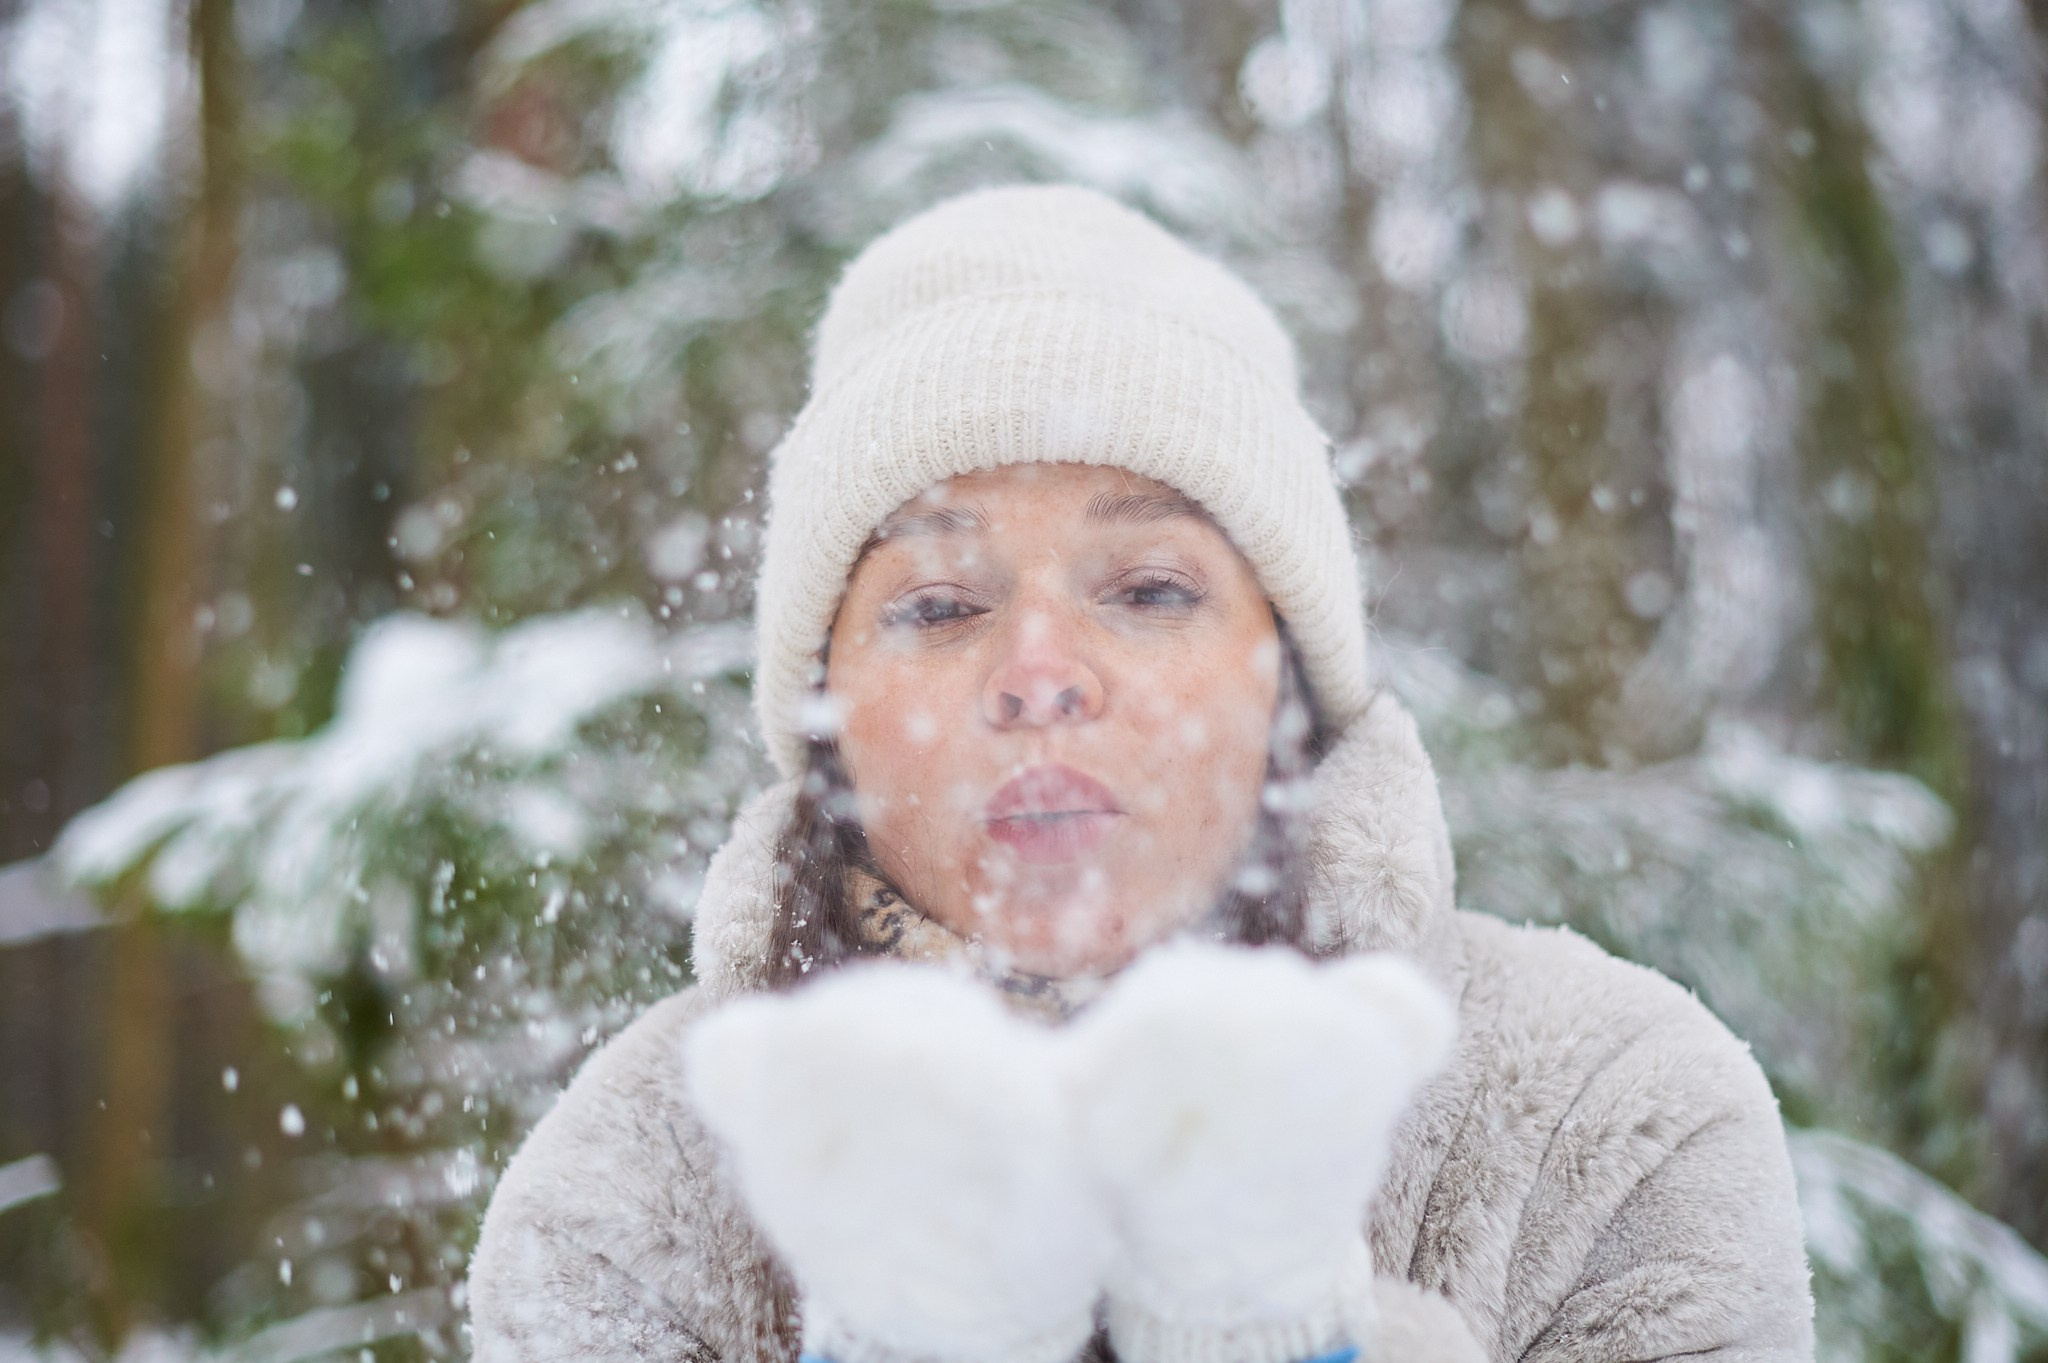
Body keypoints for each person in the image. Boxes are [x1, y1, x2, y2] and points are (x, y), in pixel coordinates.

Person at [466, 184, 1815, 1363]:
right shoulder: (631, 1194)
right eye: (939, 605)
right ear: (829, 718)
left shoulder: (1606, 1113)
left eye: (1153, 588)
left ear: (1282, 680)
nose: (1042, 669)